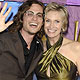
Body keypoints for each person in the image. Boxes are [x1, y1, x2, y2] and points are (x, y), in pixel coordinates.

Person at [35, 2, 80, 80]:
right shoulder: (38, 47)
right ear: (43, 23)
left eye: (57, 21)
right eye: (48, 21)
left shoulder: (76, 48)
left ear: (63, 24)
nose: (51, 26)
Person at [0, 0, 44, 80]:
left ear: (42, 22)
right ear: (22, 17)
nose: (35, 18)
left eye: (39, 15)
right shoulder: (4, 39)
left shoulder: (39, 47)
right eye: (30, 14)